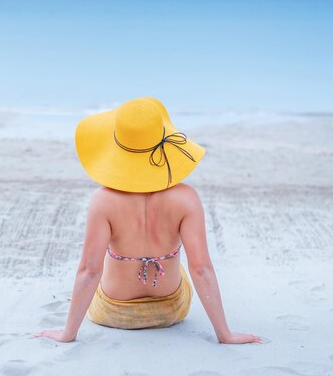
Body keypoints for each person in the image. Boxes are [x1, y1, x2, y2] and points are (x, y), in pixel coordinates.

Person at [33, 97, 262, 344]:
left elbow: (90, 271)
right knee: (185, 266)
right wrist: (224, 334)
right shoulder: (186, 198)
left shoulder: (103, 201)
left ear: (117, 147)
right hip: (171, 309)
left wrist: (68, 333)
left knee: (100, 271)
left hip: (113, 312)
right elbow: (202, 268)